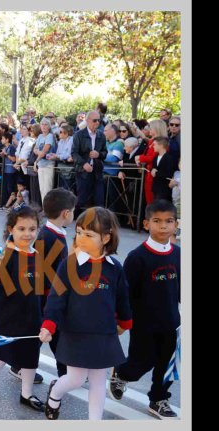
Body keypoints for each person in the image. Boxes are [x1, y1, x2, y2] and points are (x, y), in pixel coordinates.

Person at [40, 207, 132, 420]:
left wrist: (125, 321)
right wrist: (49, 324)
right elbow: (56, 298)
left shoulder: (114, 268)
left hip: (104, 333)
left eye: (89, 235)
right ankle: (55, 393)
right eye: (79, 232)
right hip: (76, 331)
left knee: (99, 380)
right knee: (76, 378)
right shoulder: (70, 264)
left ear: (106, 238)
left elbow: (122, 297)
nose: (81, 238)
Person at [108, 200, 180, 419]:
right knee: (142, 362)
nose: (163, 226)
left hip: (171, 322)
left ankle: (158, 399)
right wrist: (121, 319)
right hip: (144, 324)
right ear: (146, 224)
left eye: (169, 221)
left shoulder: (179, 254)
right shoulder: (137, 257)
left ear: (176, 224)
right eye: (157, 221)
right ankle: (122, 373)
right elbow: (125, 293)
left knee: (167, 364)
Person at [0, 205, 45, 412]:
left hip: (32, 316)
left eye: (32, 229)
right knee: (2, 352)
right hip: (7, 315)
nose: (27, 234)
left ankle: (26, 394)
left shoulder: (37, 255)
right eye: (21, 229)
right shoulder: (4, 257)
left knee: (30, 354)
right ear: (11, 230)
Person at [10, 189, 76, 382]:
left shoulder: (55, 234)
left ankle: (65, 371)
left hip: (53, 295)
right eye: (73, 211)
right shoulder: (47, 237)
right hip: (46, 297)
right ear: (66, 213)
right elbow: (39, 268)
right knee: (41, 334)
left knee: (55, 334)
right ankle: (19, 365)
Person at [72, 111, 108, 215]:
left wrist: (98, 154)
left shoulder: (101, 135)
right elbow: (74, 153)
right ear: (87, 121)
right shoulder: (79, 135)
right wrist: (84, 164)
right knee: (81, 199)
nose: (97, 123)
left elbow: (105, 152)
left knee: (99, 200)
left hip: (97, 171)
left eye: (99, 120)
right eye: (95, 120)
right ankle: (70, 217)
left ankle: (99, 222)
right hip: (83, 172)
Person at [150, 137, 175, 203]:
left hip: (164, 189)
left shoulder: (169, 158)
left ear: (161, 145)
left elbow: (169, 174)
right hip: (156, 188)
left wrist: (156, 173)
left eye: (154, 144)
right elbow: (153, 168)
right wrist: (152, 170)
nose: (153, 146)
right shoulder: (155, 158)